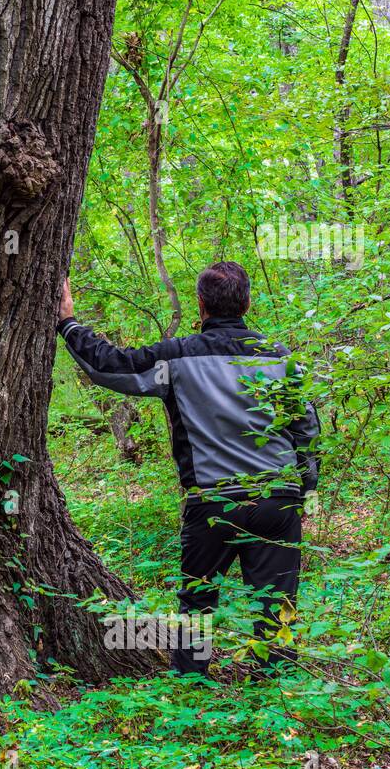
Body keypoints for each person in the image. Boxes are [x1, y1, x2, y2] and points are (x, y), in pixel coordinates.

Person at [56, 261, 320, 676]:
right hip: (277, 499)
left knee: (197, 602)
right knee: (277, 603)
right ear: (247, 302)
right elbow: (305, 432)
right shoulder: (280, 359)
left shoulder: (177, 358)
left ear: (201, 305)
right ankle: (275, 691)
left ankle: (189, 686)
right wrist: (304, 489)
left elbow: (111, 366)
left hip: (212, 502)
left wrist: (68, 322)